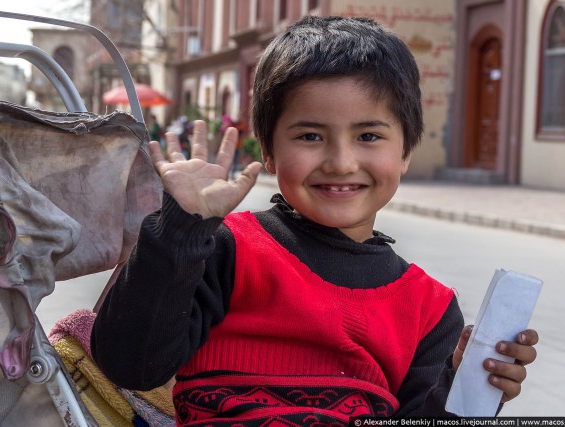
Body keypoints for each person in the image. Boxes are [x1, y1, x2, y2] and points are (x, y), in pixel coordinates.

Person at [91, 16, 538, 424]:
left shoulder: (430, 308)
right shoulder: (227, 249)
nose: (341, 163)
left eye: (368, 136)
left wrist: (468, 387)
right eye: (310, 136)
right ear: (268, 151)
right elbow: (131, 363)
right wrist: (181, 229)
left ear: (405, 152)